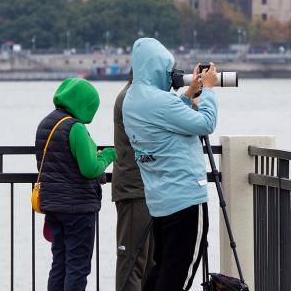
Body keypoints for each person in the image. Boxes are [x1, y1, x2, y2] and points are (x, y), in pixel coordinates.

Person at [122, 38, 218, 291]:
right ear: (157, 68)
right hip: (185, 196)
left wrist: (188, 95)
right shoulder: (161, 101)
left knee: (162, 266)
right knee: (178, 274)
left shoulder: (132, 99)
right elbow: (205, 123)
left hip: (159, 199)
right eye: (168, 69)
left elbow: (168, 120)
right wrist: (208, 90)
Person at [34, 78, 117, 291]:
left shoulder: (46, 123)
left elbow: (60, 161)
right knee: (78, 267)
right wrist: (107, 156)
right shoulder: (75, 127)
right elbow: (89, 168)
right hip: (78, 208)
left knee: (59, 264)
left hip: (53, 205)